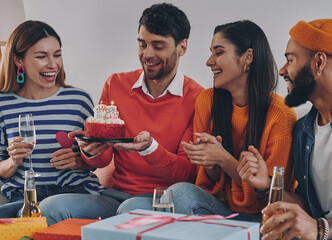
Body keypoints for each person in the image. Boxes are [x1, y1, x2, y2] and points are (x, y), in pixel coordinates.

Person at [39, 3, 204, 224]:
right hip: (114, 196)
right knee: (50, 207)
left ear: (182, 47)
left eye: (158, 46)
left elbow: (186, 174)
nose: (147, 54)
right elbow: (103, 159)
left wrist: (150, 149)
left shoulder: (198, 98)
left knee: (129, 211)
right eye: (142, 44)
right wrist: (91, 149)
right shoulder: (116, 84)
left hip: (160, 200)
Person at [167, 20, 297, 222]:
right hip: (219, 210)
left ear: (248, 57)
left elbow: (273, 198)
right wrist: (209, 163)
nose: (209, 61)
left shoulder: (281, 115)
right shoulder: (207, 101)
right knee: (133, 206)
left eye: (219, 53)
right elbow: (207, 185)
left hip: (263, 218)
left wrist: (224, 159)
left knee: (181, 194)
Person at [0, 20, 104, 221]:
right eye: (42, 56)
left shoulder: (78, 100)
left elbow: (95, 158)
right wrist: (13, 161)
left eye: (57, 55)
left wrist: (79, 161)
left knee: (43, 221)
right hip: (25, 196)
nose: (53, 64)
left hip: (74, 192)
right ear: (18, 60)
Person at [239, 19, 332, 240]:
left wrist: (320, 229)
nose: (282, 71)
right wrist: (265, 184)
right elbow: (307, 203)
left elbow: (316, 226)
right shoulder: (303, 130)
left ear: (319, 62)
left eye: (290, 60)